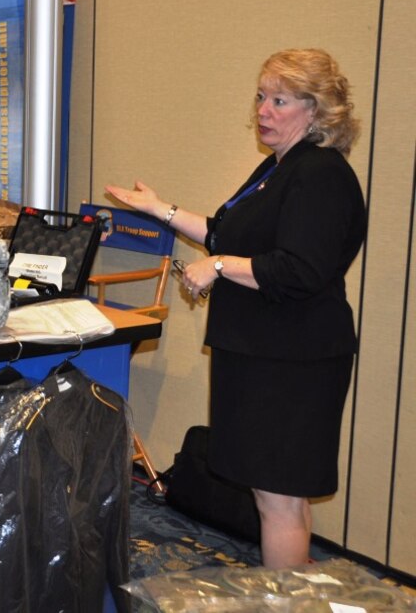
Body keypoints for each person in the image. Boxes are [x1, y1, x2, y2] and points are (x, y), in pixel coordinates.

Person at [105, 48, 366, 569]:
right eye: (261, 97)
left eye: (279, 100)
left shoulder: (320, 174)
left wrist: (220, 266)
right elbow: (227, 232)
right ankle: (289, 597)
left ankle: (285, 602)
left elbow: (298, 269)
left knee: (280, 502)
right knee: (276, 499)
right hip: (261, 353)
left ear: (315, 110)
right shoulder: (279, 167)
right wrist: (161, 209)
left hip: (292, 362)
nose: (263, 110)